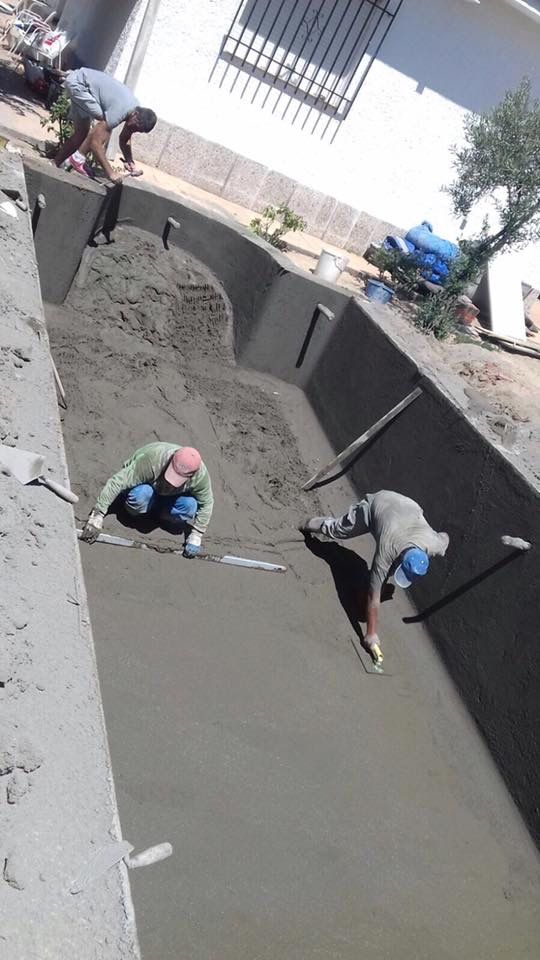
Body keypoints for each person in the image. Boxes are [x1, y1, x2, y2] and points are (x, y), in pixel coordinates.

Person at [300, 491, 449, 663]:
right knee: (338, 530)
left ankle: (372, 583)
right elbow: (374, 598)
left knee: (383, 576)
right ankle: (306, 524)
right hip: (379, 505)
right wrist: (370, 634)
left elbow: (445, 537)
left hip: (408, 507)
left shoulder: (435, 545)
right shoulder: (388, 549)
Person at [81, 443, 213, 558]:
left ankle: (159, 515)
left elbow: (207, 503)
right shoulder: (152, 460)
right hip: (144, 488)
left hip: (168, 498)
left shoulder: (200, 476)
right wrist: (98, 515)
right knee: (142, 494)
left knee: (190, 506)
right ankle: (137, 512)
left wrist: (196, 535)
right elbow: (117, 482)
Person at [54, 68, 157, 183]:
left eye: (138, 131)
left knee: (82, 133)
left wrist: (129, 160)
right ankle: (77, 159)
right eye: (135, 127)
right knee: (104, 123)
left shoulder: (134, 110)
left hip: (80, 82)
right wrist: (111, 173)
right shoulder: (120, 110)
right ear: (136, 114)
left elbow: (124, 139)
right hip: (79, 85)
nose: (133, 130)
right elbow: (95, 143)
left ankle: (55, 164)